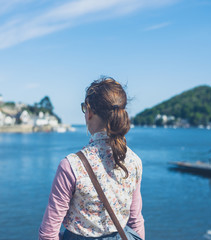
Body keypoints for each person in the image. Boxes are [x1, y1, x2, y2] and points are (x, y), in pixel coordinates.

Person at [39, 77, 145, 240]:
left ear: (89, 112)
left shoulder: (71, 166)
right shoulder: (134, 161)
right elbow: (136, 220)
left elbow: (48, 233)